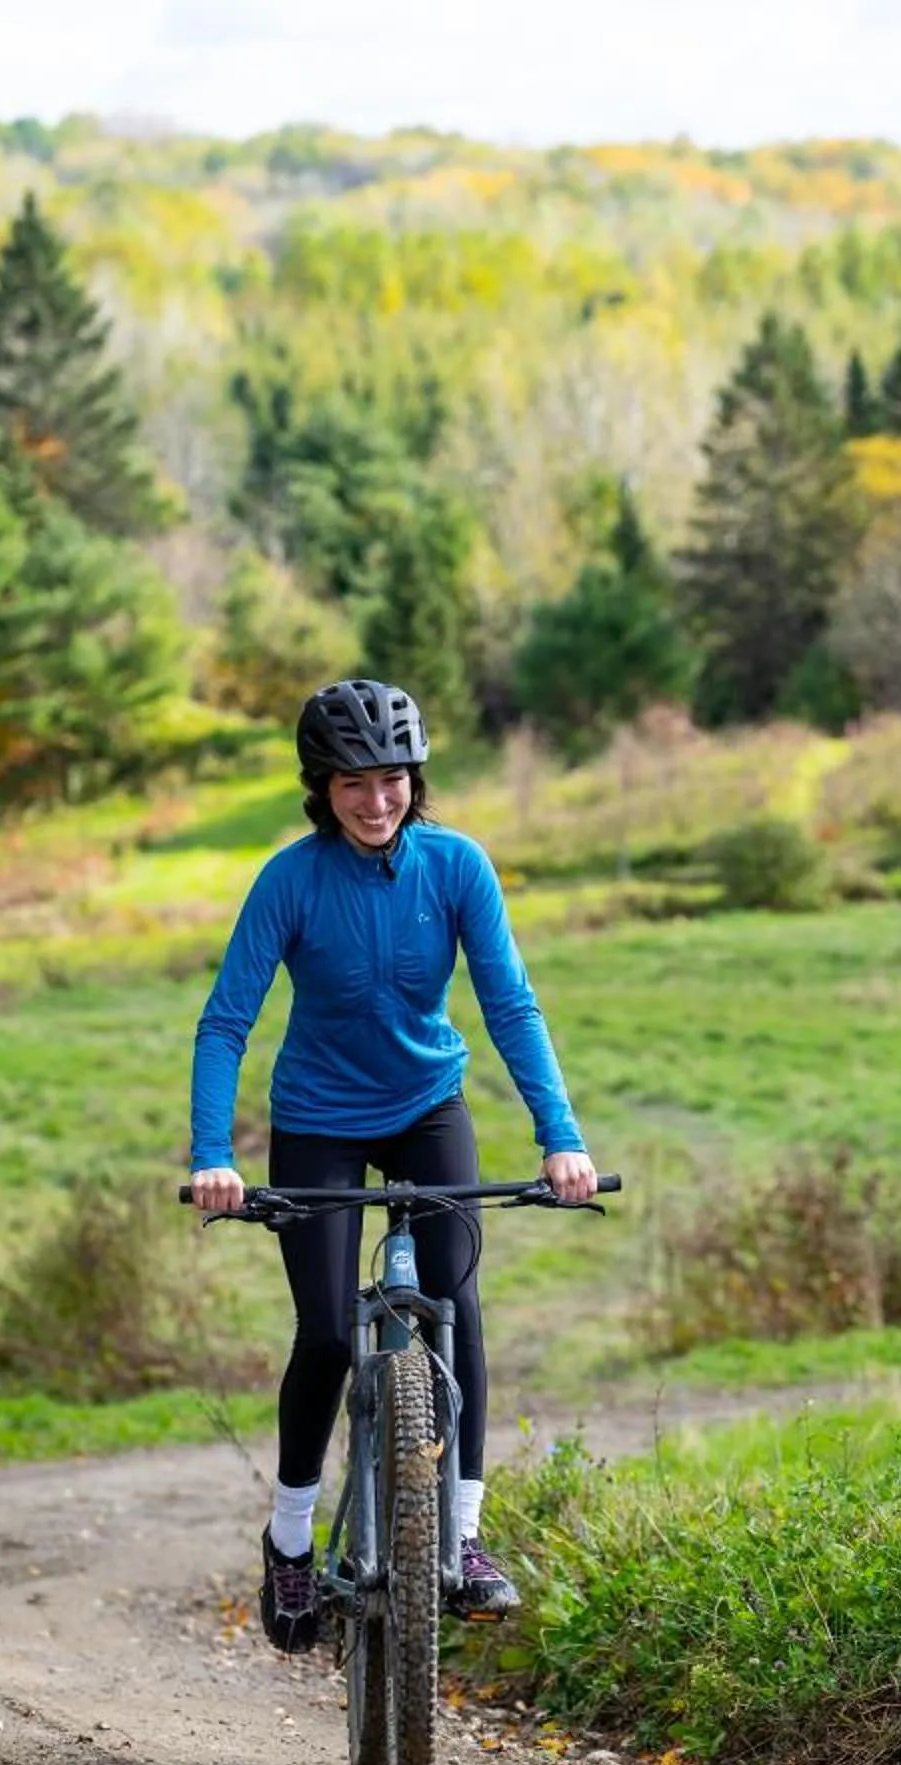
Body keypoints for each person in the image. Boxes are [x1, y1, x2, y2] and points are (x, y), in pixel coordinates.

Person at [187, 678, 596, 1653]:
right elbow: (226, 1022)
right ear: (321, 787)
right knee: (327, 1333)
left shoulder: (456, 868)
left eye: (394, 779)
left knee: (456, 1304)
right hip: (318, 1117)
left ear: (417, 778)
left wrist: (561, 1135)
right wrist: (214, 1156)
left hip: (427, 1107)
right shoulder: (290, 880)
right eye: (355, 783)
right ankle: (289, 1542)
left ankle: (460, 1539)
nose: (377, 801)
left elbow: (510, 1004)